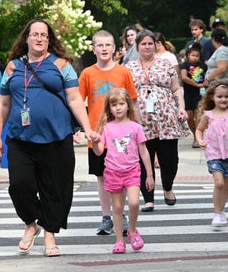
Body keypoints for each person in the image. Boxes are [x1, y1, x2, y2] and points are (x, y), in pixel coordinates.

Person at [0, 19, 97, 257]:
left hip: (56, 137)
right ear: (26, 38)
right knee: (19, 185)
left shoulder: (61, 65)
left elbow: (74, 99)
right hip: (20, 139)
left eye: (44, 35)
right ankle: (31, 223)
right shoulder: (12, 67)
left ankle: (50, 232)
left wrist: (87, 128)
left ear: (49, 40)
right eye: (35, 34)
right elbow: (3, 104)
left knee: (55, 189)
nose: (39, 38)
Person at [78, 30, 140, 236]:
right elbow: (78, 102)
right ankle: (106, 216)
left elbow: (133, 101)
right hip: (97, 136)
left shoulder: (123, 72)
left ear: (114, 48)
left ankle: (119, 214)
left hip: (122, 136)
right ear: (93, 49)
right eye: (100, 45)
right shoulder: (87, 73)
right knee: (102, 177)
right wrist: (83, 129)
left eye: (108, 45)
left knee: (122, 175)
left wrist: (138, 127)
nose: (104, 49)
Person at [126, 30, 189, 212]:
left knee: (170, 159)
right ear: (137, 46)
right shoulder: (129, 67)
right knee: (143, 157)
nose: (147, 47)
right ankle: (148, 197)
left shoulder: (165, 64)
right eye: (143, 44)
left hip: (166, 117)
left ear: (156, 45)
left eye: (150, 43)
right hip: (140, 118)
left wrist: (181, 107)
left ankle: (168, 187)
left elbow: (176, 89)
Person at [90, 88, 153, 254]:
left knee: (134, 202)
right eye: (114, 105)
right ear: (109, 108)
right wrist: (95, 141)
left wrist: (150, 175)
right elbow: (99, 151)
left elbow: (144, 152)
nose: (118, 108)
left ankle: (132, 231)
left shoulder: (135, 127)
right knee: (117, 208)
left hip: (132, 170)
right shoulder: (107, 127)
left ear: (128, 106)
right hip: (112, 171)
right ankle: (119, 240)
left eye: (121, 104)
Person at [194, 80, 228, 228]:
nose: (223, 99)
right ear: (212, 97)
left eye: (226, 96)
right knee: (219, 182)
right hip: (213, 152)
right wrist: (200, 140)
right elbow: (199, 129)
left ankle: (221, 211)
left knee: (225, 185)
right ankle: (217, 213)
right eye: (220, 96)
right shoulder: (208, 115)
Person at [179, 43, 206, 148]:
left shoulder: (203, 65)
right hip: (189, 93)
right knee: (189, 117)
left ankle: (198, 138)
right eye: (192, 55)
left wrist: (204, 84)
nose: (194, 57)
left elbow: (207, 76)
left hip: (199, 94)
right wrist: (197, 84)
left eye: (197, 56)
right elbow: (184, 77)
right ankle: (195, 134)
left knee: (198, 116)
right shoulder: (184, 65)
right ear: (188, 55)